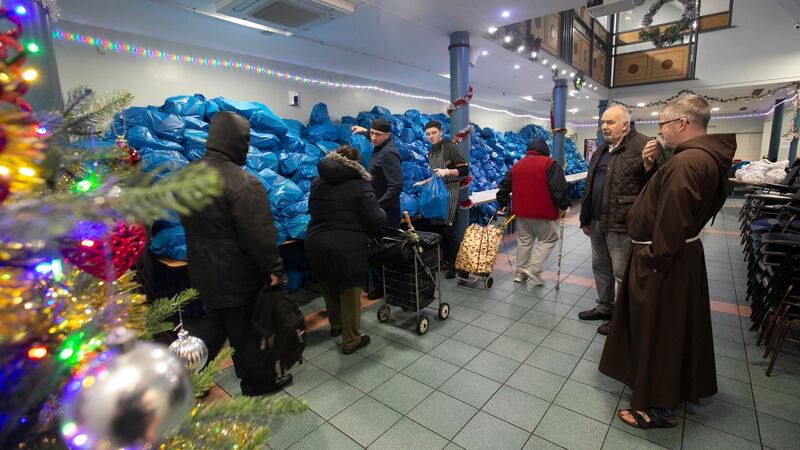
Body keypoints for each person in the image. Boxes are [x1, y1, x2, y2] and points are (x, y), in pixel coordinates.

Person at [599, 94, 735, 429]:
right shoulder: (699, 158)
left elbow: (673, 218)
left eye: (662, 124)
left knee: (660, 332)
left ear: (682, 123)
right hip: (677, 256)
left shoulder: (688, 162)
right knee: (672, 330)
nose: (660, 132)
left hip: (664, 261)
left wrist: (652, 258)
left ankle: (657, 407)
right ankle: (671, 391)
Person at [179, 111, 290, 396]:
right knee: (248, 335)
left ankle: (185, 380)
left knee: (213, 327)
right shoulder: (243, 183)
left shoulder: (186, 176)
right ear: (237, 141)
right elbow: (259, 237)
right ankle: (257, 383)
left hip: (203, 270)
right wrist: (274, 269)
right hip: (238, 276)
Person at [577, 105, 662, 335]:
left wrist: (648, 166)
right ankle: (605, 306)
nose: (604, 126)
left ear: (625, 125)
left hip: (622, 223)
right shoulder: (602, 150)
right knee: (600, 267)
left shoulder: (644, 145)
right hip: (597, 221)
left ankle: (625, 316)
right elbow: (591, 185)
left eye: (610, 122)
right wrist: (585, 217)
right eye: (603, 122)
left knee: (622, 273)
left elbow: (658, 184)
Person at [305, 145, 386, 354]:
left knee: (328, 284)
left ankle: (336, 326)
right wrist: (383, 213)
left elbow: (311, 209)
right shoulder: (360, 184)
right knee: (349, 291)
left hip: (316, 241)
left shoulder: (317, 183)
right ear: (355, 163)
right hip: (347, 245)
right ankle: (351, 340)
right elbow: (374, 218)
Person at [496, 138, 571, 285]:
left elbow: (504, 185)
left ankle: (520, 273)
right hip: (543, 211)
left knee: (524, 241)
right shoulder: (549, 164)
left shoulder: (517, 165)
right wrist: (564, 205)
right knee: (549, 239)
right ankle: (534, 269)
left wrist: (503, 202)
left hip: (522, 211)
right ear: (545, 150)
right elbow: (558, 188)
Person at [352, 118, 403, 299]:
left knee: (383, 250)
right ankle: (379, 285)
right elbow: (374, 135)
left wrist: (377, 207)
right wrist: (364, 131)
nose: (373, 137)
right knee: (376, 247)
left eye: (377, 135)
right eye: (372, 133)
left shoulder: (388, 154)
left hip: (386, 213)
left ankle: (383, 288)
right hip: (378, 210)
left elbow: (396, 186)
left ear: (388, 135)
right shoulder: (381, 145)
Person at [418, 120, 469, 279]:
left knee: (447, 229)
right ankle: (445, 260)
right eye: (428, 134)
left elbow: (464, 169)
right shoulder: (431, 151)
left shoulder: (449, 148)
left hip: (450, 191)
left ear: (440, 132)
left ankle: (455, 264)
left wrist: (447, 171)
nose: (431, 136)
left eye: (434, 133)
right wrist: (425, 182)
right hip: (437, 193)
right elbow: (435, 174)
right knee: (438, 228)